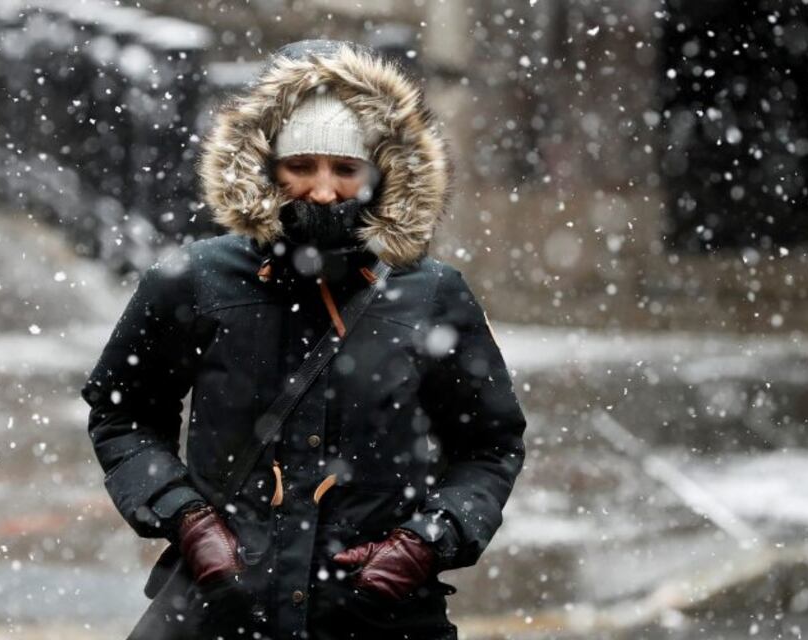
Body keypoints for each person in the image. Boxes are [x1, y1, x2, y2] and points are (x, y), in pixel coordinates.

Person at [81, 39, 527, 640]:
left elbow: (489, 446)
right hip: (222, 611)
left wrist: (424, 543)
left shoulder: (432, 294)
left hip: (378, 619)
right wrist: (187, 519)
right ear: (266, 166)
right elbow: (122, 412)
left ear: (380, 172)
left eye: (345, 169)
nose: (322, 191)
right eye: (302, 166)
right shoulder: (197, 281)